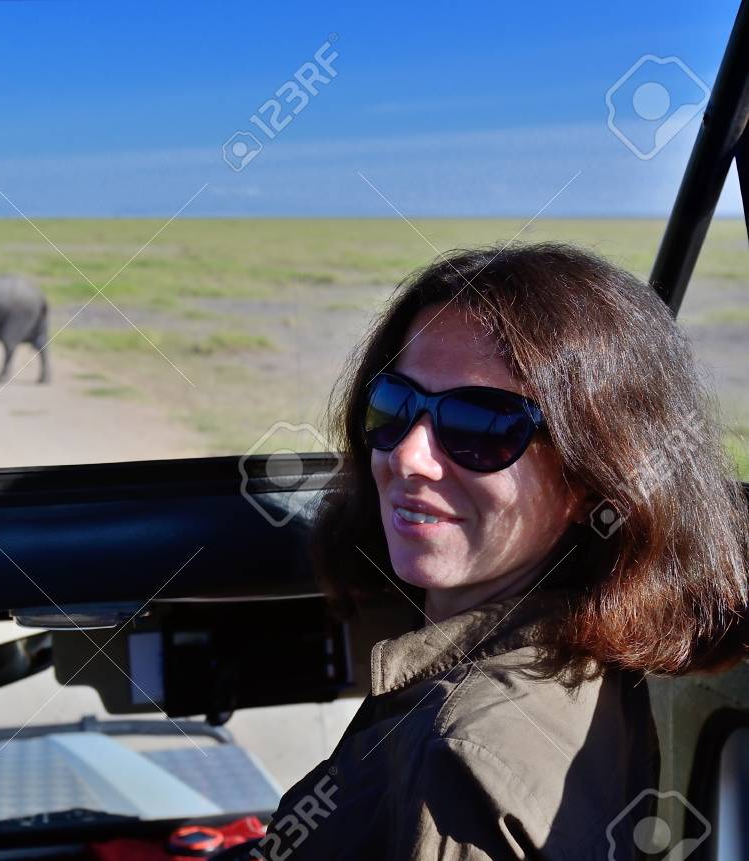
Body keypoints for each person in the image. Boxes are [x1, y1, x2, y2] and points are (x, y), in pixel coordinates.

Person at [264, 243, 749, 860]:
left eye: (480, 425)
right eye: (395, 405)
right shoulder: (582, 661)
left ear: (591, 480)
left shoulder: (459, 765)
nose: (408, 456)